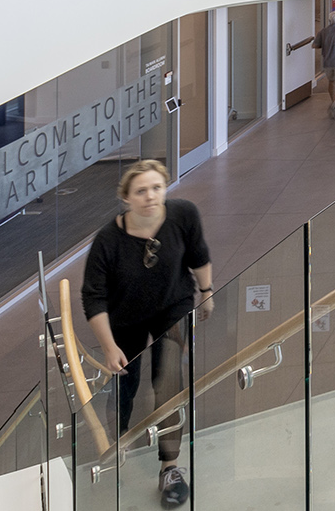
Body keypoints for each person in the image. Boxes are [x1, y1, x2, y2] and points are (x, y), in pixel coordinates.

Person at [82, 159, 212, 510]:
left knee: (169, 376)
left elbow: (199, 254)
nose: (150, 196)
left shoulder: (183, 214)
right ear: (126, 198)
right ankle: (117, 441)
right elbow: (92, 297)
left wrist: (208, 291)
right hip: (125, 318)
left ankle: (170, 466)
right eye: (141, 191)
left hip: (173, 305)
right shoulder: (108, 240)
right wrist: (109, 347)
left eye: (157, 187)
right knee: (125, 381)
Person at [288, 6, 335, 115]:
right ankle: (334, 103)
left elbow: (315, 45)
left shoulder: (323, 32)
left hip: (328, 62)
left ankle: (333, 100)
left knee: (331, 82)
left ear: (329, 20)